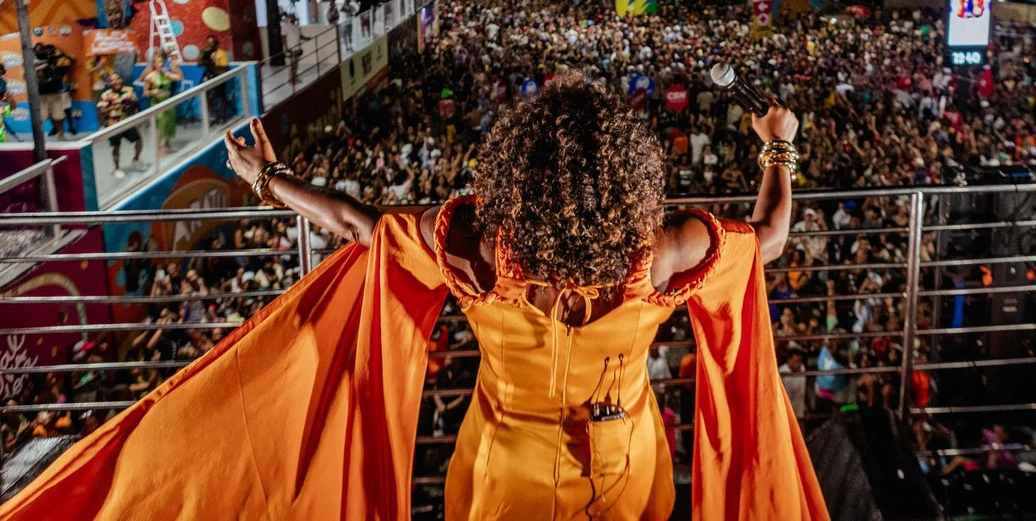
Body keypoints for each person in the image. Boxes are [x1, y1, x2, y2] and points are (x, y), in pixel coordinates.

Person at [5, 73, 828, 520]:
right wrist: (778, 150)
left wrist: (267, 177)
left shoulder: (478, 249)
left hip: (503, 471)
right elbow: (770, 237)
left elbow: (357, 223)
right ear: (625, 173)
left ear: (517, 169)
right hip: (627, 466)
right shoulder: (663, 252)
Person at [96, 73, 143, 178]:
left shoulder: (129, 90)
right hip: (113, 124)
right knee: (116, 147)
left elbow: (135, 105)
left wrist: (137, 120)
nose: (115, 82)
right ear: (109, 83)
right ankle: (117, 168)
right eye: (112, 80)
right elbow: (102, 110)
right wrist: (114, 107)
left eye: (117, 79)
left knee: (139, 141)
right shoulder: (106, 95)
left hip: (126, 122)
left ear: (121, 80)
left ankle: (136, 159)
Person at [138, 50, 183, 156]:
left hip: (168, 103)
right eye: (158, 62)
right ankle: (158, 148)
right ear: (154, 64)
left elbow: (180, 77)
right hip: (157, 103)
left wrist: (176, 68)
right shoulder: (150, 77)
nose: (161, 64)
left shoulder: (166, 74)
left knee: (169, 125)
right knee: (159, 127)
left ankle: (166, 144)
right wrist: (152, 92)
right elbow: (145, 92)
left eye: (162, 62)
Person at [34, 43, 74, 141]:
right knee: (42, 116)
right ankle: (40, 137)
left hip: (55, 91)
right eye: (38, 49)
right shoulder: (32, 61)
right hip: (41, 93)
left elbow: (70, 62)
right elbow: (26, 76)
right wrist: (38, 69)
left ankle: (61, 133)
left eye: (42, 49)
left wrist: (59, 55)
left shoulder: (55, 59)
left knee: (59, 114)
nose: (41, 51)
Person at [199, 35, 230, 122]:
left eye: (211, 43)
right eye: (208, 42)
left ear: (215, 43)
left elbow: (224, 67)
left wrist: (214, 61)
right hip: (209, 76)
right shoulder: (206, 52)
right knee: (209, 96)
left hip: (219, 77)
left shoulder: (221, 53)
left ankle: (222, 117)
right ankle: (214, 116)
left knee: (220, 96)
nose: (209, 44)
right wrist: (203, 57)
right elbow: (200, 64)